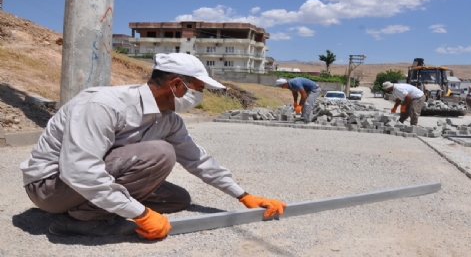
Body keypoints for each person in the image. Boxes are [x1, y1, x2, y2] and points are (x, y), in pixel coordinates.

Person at [20, 53, 286, 240]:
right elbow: (79, 171)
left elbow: (198, 160)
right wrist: (142, 214)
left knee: (178, 199)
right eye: (199, 88)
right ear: (177, 84)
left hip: (83, 181)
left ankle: (94, 205)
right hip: (51, 188)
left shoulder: (167, 119)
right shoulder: (103, 105)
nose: (200, 95)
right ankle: (77, 221)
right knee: (160, 153)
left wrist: (243, 195)